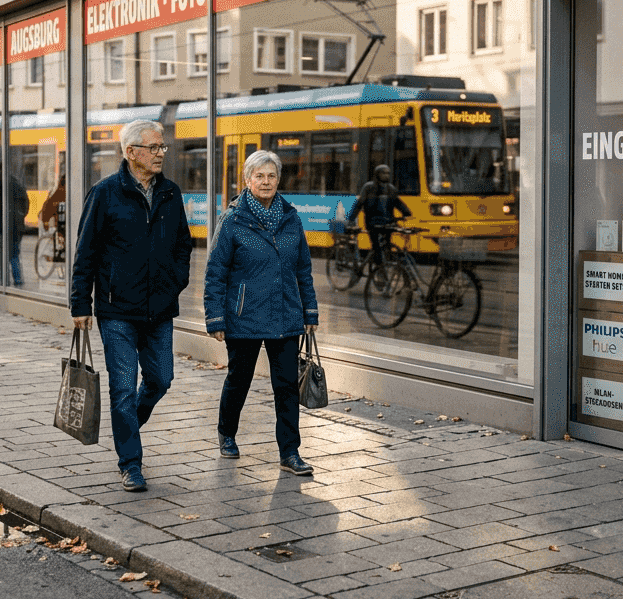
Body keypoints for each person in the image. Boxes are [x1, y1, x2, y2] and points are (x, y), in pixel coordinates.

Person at [70, 120, 192, 492]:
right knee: (123, 389)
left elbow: (183, 246)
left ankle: (127, 427)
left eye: (162, 148)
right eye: (153, 148)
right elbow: (85, 252)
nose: (160, 154)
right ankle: (130, 462)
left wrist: (174, 283)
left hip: (159, 309)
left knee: (160, 380)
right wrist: (81, 304)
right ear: (131, 152)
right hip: (117, 310)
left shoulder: (170, 193)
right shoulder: (105, 193)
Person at [204, 150, 319, 476]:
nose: (266, 182)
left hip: (285, 316)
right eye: (259, 176)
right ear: (247, 180)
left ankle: (290, 452)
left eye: (271, 176)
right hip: (244, 317)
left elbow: (303, 270)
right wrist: (215, 317)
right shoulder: (233, 220)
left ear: (278, 179)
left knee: (285, 386)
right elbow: (215, 272)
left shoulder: (291, 218)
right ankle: (227, 432)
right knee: (239, 380)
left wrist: (310, 312)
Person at [345, 164, 412, 267]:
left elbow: (398, 203)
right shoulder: (368, 187)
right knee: (376, 246)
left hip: (387, 222)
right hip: (372, 223)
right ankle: (379, 269)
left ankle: (383, 266)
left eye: (388, 173)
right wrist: (351, 219)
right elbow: (359, 204)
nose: (386, 175)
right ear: (377, 174)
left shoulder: (391, 189)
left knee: (386, 246)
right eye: (383, 173)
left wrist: (407, 212)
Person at [0, 161, 29, 286]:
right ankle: (18, 279)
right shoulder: (18, 186)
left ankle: (3, 281)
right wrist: (19, 218)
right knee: (14, 254)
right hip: (14, 227)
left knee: (0, 256)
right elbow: (25, 206)